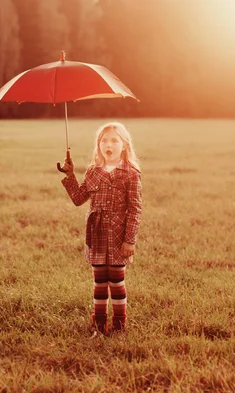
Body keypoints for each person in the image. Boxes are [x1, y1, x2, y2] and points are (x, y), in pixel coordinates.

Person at [58, 122, 142, 336]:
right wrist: (70, 176)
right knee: (99, 281)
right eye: (104, 140)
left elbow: (135, 209)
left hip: (118, 236)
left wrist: (130, 239)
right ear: (98, 145)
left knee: (116, 279)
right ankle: (99, 325)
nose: (109, 144)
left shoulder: (130, 174)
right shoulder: (93, 172)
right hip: (96, 234)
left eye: (114, 140)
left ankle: (119, 325)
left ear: (124, 145)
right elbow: (78, 199)